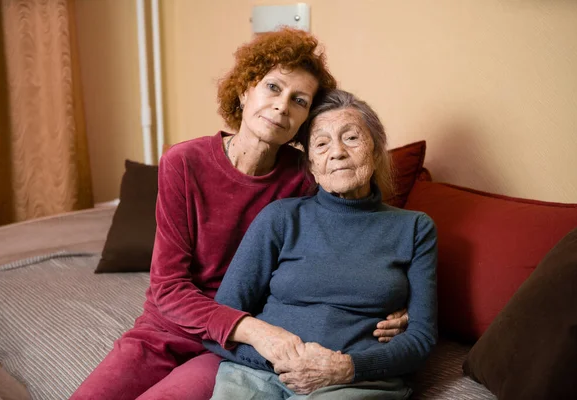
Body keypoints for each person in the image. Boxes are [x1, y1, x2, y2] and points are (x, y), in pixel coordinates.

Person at [71, 29, 408, 400]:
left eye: (299, 100)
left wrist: (402, 303)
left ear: (304, 122)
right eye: (273, 88)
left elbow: (362, 227)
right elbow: (168, 288)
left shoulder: (309, 173)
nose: (282, 106)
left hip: (238, 346)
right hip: (174, 328)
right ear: (246, 89)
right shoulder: (184, 162)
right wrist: (255, 331)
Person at [204, 89, 438, 400]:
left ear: (376, 151)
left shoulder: (414, 228)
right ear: (312, 165)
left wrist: (346, 367)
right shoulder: (280, 218)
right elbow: (218, 322)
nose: (337, 152)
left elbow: (421, 339)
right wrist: (283, 362)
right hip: (258, 373)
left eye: (351, 138)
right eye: (322, 143)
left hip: (354, 382)